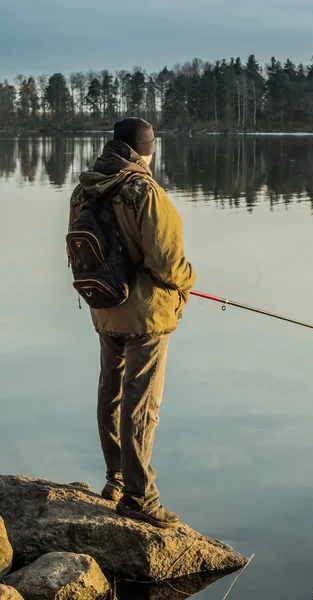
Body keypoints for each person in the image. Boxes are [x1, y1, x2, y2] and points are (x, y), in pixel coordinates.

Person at [69, 118, 196, 529]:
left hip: (104, 306)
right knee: (141, 403)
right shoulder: (145, 191)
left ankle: (116, 480)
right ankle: (141, 499)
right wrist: (189, 281)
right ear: (148, 149)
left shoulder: (83, 187)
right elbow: (168, 263)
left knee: (111, 392)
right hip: (146, 315)